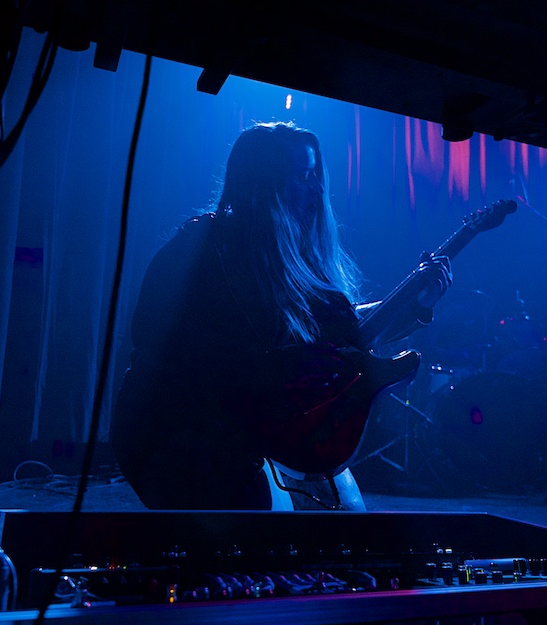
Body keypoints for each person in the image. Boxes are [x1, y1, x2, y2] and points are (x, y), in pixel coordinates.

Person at [110, 122, 451, 510]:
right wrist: (273, 366)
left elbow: (345, 333)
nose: (315, 189)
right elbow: (154, 337)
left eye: (314, 175)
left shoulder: (293, 251)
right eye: (301, 177)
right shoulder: (202, 246)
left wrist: (416, 303)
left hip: (243, 430)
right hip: (173, 433)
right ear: (261, 184)